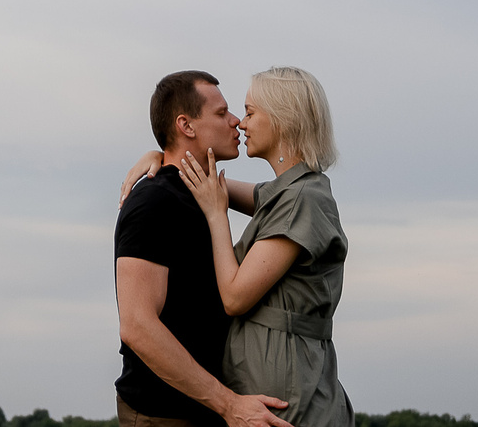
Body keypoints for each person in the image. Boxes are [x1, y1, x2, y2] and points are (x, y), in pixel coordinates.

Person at [125, 68, 353, 427]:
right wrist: (162, 155)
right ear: (186, 125)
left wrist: (217, 216)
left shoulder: (301, 198)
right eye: (227, 113)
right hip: (239, 397)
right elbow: (214, 186)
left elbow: (233, 297)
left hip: (285, 395)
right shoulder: (287, 194)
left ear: (282, 119)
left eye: (248, 112)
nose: (240, 123)